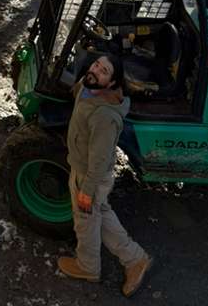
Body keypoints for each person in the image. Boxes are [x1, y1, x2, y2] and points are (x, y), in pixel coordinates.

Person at [57, 53, 153, 297]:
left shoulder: (104, 116)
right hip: (84, 169)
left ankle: (87, 267)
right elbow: (81, 88)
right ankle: (135, 259)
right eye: (96, 65)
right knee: (99, 214)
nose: (95, 71)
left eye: (104, 71)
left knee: (85, 221)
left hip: (90, 175)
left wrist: (87, 190)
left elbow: (99, 160)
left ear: (112, 83)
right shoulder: (89, 85)